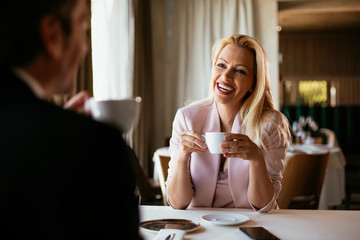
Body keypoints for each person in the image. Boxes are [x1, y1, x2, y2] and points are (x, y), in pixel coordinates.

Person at [0, 0, 141, 239]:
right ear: (52, 34)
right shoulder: (94, 146)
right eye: (82, 26)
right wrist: (73, 134)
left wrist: (56, 125)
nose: (85, 47)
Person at [166, 34, 290, 212]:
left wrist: (256, 159)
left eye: (240, 71)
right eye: (221, 65)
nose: (225, 76)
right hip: (200, 225)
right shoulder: (187, 118)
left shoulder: (271, 124)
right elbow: (178, 203)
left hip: (252, 225)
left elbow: (265, 205)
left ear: (253, 83)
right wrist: (182, 157)